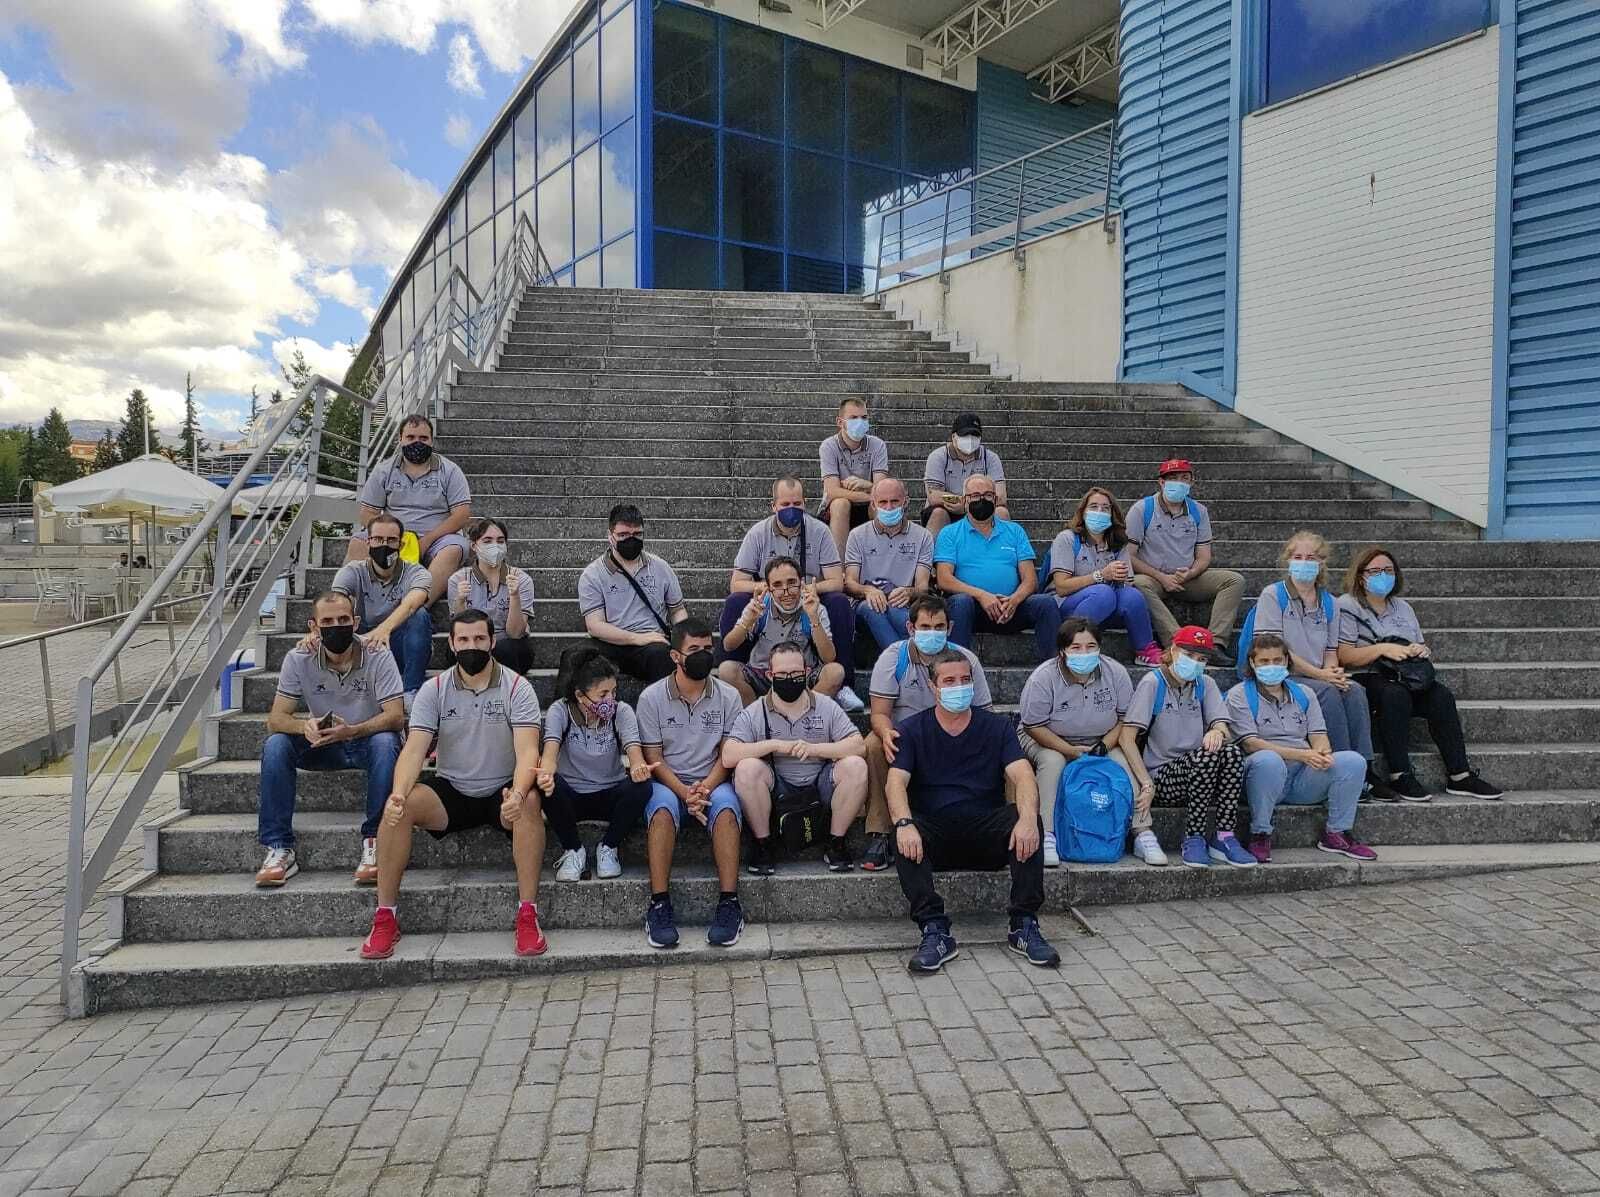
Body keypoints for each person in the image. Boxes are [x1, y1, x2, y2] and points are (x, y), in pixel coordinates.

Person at [360, 608, 546, 960]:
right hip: (452, 790)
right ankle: (385, 916)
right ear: (452, 643)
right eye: (463, 639)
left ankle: (527, 914)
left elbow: (527, 752)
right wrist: (398, 794)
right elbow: (415, 749)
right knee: (399, 807)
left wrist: (519, 792)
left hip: (501, 790)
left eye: (479, 639)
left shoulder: (518, 688)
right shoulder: (435, 689)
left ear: (492, 641)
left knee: (531, 804)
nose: (471, 645)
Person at [886, 649, 1059, 972]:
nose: (958, 687)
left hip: (985, 831)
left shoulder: (997, 727)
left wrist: (1025, 819)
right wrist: (905, 822)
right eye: (949, 681)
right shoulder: (911, 729)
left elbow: (1022, 775)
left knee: (1028, 819)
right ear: (933, 686)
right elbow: (895, 783)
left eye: (965, 680)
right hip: (934, 836)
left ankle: (1023, 924)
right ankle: (934, 930)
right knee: (901, 831)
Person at [256, 591, 405, 888]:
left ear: (356, 622)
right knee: (276, 745)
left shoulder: (378, 655)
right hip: (323, 744)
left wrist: (353, 730)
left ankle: (374, 841)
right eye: (327, 621)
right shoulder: (299, 658)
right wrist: (305, 727)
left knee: (386, 741)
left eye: (343, 620)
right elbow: (276, 719)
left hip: (366, 741)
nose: (336, 626)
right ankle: (278, 848)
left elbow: (396, 716)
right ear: (314, 626)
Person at [1338, 546, 1502, 802]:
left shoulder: (1403, 608)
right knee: (1395, 696)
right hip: (1367, 675)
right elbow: (1344, 655)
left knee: (1441, 696)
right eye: (1376, 571)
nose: (1383, 575)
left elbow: (1418, 643)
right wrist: (1383, 648)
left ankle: (1460, 775)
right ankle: (1399, 774)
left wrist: (1418, 650)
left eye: (1388, 570)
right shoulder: (1347, 606)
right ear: (1361, 576)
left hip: (1405, 674)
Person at [636, 619, 748, 949]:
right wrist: (685, 792)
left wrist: (704, 789)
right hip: (669, 782)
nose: (702, 655)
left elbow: (728, 754)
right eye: (693, 650)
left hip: (713, 779)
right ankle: (659, 904)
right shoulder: (651, 698)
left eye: (707, 649)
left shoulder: (728, 695)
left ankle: (729, 903)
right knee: (661, 812)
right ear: (675, 656)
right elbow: (653, 757)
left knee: (727, 809)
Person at [1251, 531, 1387, 798]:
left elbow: (1330, 649)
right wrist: (1323, 677)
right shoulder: (1273, 595)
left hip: (1319, 672)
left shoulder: (1330, 603)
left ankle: (1364, 768)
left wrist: (1333, 671)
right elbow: (1276, 649)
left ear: (1321, 562)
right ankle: (1341, 765)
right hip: (1283, 674)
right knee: (1326, 692)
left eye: (1311, 557)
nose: (1304, 562)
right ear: (1288, 560)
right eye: (1298, 556)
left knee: (1354, 689)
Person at [1019, 618, 1163, 869]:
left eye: (1091, 646)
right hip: (1048, 738)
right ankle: (1049, 835)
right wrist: (1069, 751)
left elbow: (1124, 719)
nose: (1084, 653)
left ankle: (1142, 832)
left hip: (1102, 739)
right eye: (1076, 647)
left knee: (1122, 761)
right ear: (1062, 651)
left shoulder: (1115, 672)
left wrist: (1104, 746)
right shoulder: (1043, 677)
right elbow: (1034, 726)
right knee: (1052, 762)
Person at [863, 595, 993, 871]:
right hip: (906, 738)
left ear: (950, 628)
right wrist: (887, 734)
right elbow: (879, 713)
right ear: (911, 628)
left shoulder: (964, 659)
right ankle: (880, 833)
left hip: (953, 733)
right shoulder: (894, 657)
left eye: (938, 627)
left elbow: (985, 713)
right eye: (925, 626)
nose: (932, 633)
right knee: (873, 743)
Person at [723, 641, 869, 875]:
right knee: (746, 768)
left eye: (795, 673)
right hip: (777, 786)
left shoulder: (826, 706)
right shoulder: (755, 711)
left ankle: (836, 843)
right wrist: (774, 745)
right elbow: (729, 755)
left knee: (856, 765)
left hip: (819, 784)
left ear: (807, 672)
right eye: (782, 674)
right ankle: (763, 844)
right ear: (770, 675)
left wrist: (815, 749)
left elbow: (858, 745)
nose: (789, 678)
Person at [1227, 633, 1375, 864]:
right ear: (1253, 663)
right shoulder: (1239, 695)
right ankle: (1260, 833)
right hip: (1261, 778)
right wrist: (1303, 755)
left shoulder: (1304, 693)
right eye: (1264, 662)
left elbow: (1318, 735)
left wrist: (1322, 753)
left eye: (1277, 660)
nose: (1271, 666)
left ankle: (1337, 833)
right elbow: (1250, 743)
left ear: (1287, 661)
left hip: (1301, 776)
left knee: (1353, 761)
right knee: (1267, 759)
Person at [721, 476, 862, 710]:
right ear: (774, 506)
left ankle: (843, 685)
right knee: (736, 601)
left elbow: (836, 581)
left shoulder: (819, 531)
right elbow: (737, 583)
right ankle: (737, 678)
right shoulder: (758, 533)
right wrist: (769, 588)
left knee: (838, 602)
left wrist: (805, 590)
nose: (791, 510)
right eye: (785, 505)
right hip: (768, 596)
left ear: (805, 503)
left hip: (809, 591)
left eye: (797, 504)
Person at [1123, 625, 1255, 869]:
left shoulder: (1205, 683)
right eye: (1189, 655)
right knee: (1206, 757)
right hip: (1163, 776)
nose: (1195, 663)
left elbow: (1222, 724)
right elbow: (1127, 737)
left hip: (1201, 773)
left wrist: (1217, 730)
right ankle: (1193, 837)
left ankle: (1224, 836)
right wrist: (1145, 782)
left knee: (1232, 752)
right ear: (1173, 650)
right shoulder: (1153, 683)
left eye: (1201, 658)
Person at [535, 647, 653, 883]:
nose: (610, 699)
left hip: (610, 792)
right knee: (548, 784)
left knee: (643, 787)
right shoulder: (561, 711)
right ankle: (573, 850)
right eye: (602, 695)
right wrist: (546, 774)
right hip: (573, 794)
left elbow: (635, 753)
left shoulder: (622, 711)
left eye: (613, 691)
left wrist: (639, 767)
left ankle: (609, 847)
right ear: (580, 696)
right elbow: (549, 755)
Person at [933, 474, 1061, 663]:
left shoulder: (1014, 531)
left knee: (1046, 603)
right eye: (975, 495)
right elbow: (944, 579)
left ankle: (1057, 669)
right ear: (964, 500)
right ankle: (954, 668)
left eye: (987, 495)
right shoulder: (950, 533)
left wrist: (1014, 601)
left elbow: (1030, 580)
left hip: (1010, 608)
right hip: (972, 609)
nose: (981, 500)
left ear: (996, 499)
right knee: (960, 602)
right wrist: (982, 596)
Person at [1127, 459, 1244, 659]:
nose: (1179, 483)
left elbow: (1204, 555)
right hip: (1153, 577)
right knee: (1136, 584)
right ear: (1161, 482)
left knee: (1234, 580)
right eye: (1172, 478)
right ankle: (1178, 643)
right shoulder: (1142, 509)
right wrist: (1162, 578)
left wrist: (1191, 573)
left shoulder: (1199, 511)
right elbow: (1128, 555)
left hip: (1187, 578)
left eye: (1184, 478)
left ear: (1191, 482)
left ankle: (1215, 644)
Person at [350, 414, 472, 604]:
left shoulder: (450, 471)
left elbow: (462, 515)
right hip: (394, 536)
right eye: (411, 437)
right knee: (358, 542)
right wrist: (392, 537)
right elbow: (367, 514)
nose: (417, 442)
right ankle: (355, 607)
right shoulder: (384, 470)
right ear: (400, 439)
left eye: (423, 438)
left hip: (437, 538)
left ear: (432, 441)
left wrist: (425, 541)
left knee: (454, 549)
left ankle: (415, 607)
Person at [1049, 487, 1163, 666]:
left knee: (1132, 595)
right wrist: (1100, 575)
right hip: (1070, 606)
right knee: (1103, 592)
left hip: (1107, 605)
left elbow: (1127, 585)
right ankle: (1071, 643)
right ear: (1083, 512)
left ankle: (1145, 649)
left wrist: (1120, 579)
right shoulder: (1068, 539)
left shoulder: (1118, 543)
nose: (1099, 512)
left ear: (1112, 514)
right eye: (1093, 507)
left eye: (1105, 508)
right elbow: (1061, 587)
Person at [578, 503, 688, 683]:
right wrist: (636, 638)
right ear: (610, 536)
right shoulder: (593, 574)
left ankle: (665, 709)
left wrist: (682, 635)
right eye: (623, 535)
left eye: (637, 534)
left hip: (652, 642)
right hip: (611, 642)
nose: (631, 539)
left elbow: (677, 610)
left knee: (662, 656)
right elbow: (594, 625)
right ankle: (567, 711)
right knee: (574, 656)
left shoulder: (660, 567)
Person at [331, 511, 434, 701]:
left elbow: (412, 604)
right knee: (336, 622)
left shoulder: (417, 572)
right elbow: (335, 605)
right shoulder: (352, 572)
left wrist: (384, 630)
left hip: (397, 641)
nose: (384, 545)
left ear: (401, 545)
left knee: (420, 616)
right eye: (378, 539)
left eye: (391, 540)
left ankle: (411, 692)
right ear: (368, 542)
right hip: (363, 641)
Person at [719, 556, 845, 704]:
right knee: (726, 670)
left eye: (791, 583)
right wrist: (748, 621)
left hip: (802, 675)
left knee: (835, 672)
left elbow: (829, 657)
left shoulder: (814, 607)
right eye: (778, 585)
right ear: (768, 588)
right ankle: (757, 718)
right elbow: (728, 645)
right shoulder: (759, 606)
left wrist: (813, 618)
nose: (786, 592)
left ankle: (803, 713)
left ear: (801, 583)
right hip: (762, 673)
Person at [844, 477, 934, 653]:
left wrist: (908, 592)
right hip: (865, 605)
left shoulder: (923, 536)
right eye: (883, 502)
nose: (889, 508)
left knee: (894, 607)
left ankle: (903, 660)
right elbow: (850, 583)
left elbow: (923, 587)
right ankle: (908, 657)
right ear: (873, 504)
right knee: (874, 608)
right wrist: (868, 591)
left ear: (905, 501)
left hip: (902, 604)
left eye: (894, 501)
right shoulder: (857, 535)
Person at [448, 517, 535, 676]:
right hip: (473, 645)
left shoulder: (521, 579)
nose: (495, 546)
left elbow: (515, 633)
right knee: (463, 653)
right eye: (487, 541)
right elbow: (459, 630)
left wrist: (514, 596)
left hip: (511, 647)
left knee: (506, 649)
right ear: (474, 546)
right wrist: (460, 600)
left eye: (500, 541)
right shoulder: (458, 579)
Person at [820, 398, 890, 554]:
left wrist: (866, 485)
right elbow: (832, 491)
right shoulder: (828, 446)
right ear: (840, 422)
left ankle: (884, 560)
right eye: (853, 418)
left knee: (883, 506)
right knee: (840, 503)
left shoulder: (877, 445)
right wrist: (869, 494)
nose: (860, 422)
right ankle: (840, 569)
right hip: (838, 509)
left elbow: (883, 489)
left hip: (868, 507)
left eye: (864, 417)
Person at [922, 412, 1008, 534]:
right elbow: (934, 496)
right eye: (965, 435)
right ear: (953, 437)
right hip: (948, 509)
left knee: (1001, 512)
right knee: (938, 513)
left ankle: (1003, 551)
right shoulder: (938, 456)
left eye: (975, 435)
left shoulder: (990, 458)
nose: (970, 439)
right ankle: (933, 552)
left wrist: (968, 504)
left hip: (981, 507)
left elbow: (1001, 497)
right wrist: (964, 503)